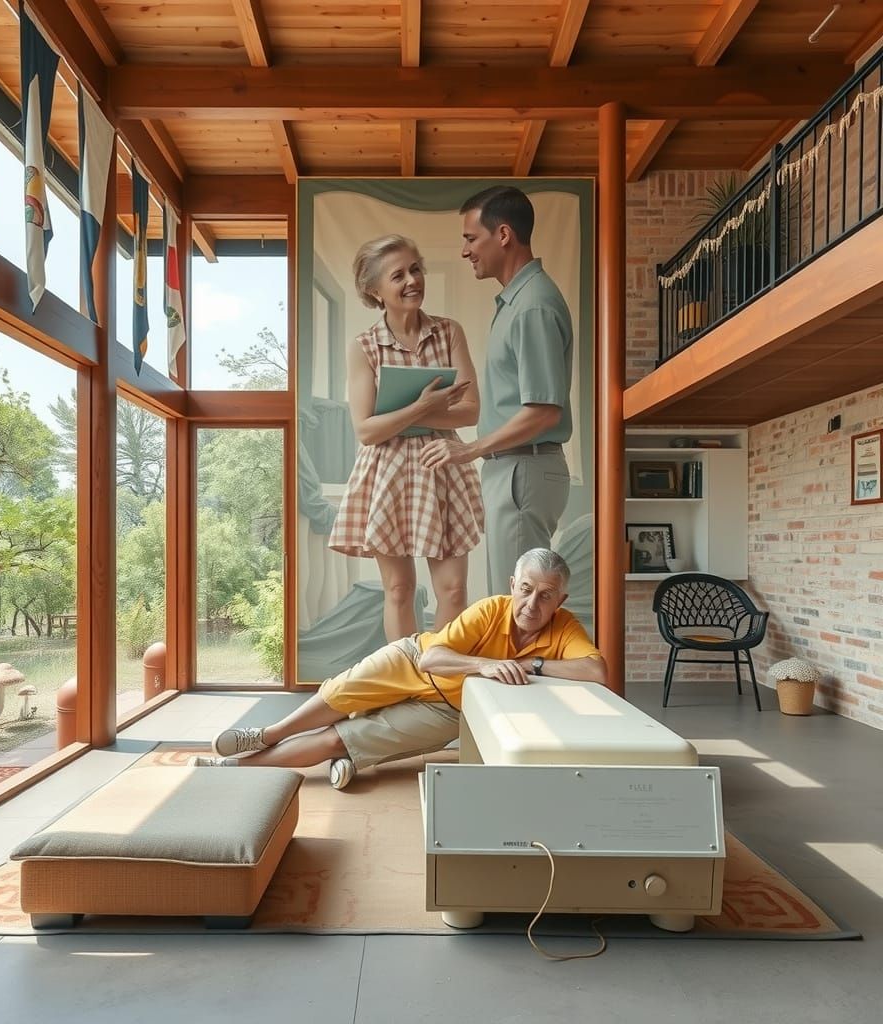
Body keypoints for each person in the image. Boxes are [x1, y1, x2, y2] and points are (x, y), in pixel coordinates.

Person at [191, 548, 607, 790]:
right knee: (339, 697)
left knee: (341, 739)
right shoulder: (489, 610)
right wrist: (489, 664)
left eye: (546, 596)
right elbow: (431, 659)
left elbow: (596, 673)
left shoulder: (565, 627)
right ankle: (266, 735)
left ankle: (231, 769)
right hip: (412, 659)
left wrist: (530, 663)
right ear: (512, 583)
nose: (532, 605)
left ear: (561, 599)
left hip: (449, 710)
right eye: (525, 590)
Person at [328, 234, 484, 641]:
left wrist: (409, 414)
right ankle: (403, 683)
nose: (412, 280)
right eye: (398, 275)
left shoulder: (449, 333)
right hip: (387, 474)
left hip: (442, 465)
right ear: (374, 291)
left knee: (453, 589)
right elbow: (365, 430)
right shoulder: (364, 347)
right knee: (399, 589)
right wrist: (422, 407)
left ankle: (441, 682)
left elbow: (471, 411)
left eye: (416, 269)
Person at [420, 186, 574, 594]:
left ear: (503, 234)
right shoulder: (516, 302)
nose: (465, 251)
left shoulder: (532, 306)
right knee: (510, 602)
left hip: (522, 468)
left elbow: (544, 411)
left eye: (471, 238)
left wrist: (467, 450)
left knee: (519, 606)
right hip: (513, 469)